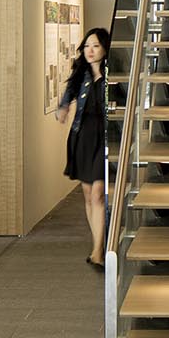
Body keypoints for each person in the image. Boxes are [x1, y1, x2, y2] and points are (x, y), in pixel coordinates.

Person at [54, 28, 111, 269]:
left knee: (98, 192)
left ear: (105, 48)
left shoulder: (112, 75)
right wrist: (63, 108)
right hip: (82, 137)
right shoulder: (80, 74)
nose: (90, 50)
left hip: (104, 138)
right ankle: (97, 241)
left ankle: (99, 250)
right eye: (87, 46)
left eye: (95, 46)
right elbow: (66, 97)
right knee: (88, 196)